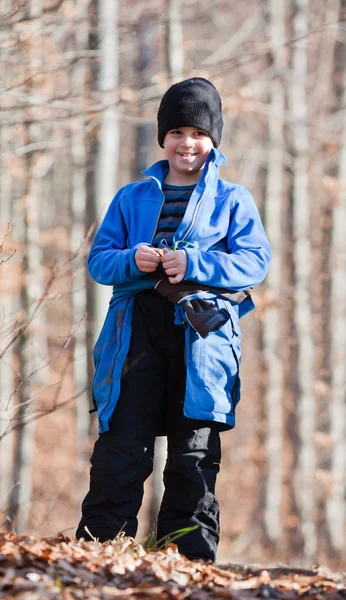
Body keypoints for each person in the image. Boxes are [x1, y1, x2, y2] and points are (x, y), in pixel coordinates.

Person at [76, 77, 271, 561]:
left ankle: (189, 562)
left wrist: (197, 264)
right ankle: (100, 556)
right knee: (121, 446)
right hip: (134, 331)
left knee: (194, 453)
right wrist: (131, 260)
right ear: (163, 137)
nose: (188, 143)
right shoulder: (130, 197)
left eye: (199, 133)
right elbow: (100, 261)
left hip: (202, 338)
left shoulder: (233, 199)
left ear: (214, 139)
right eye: (178, 131)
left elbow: (255, 262)